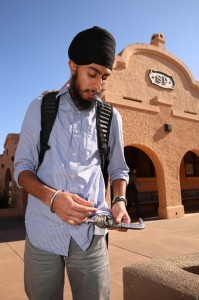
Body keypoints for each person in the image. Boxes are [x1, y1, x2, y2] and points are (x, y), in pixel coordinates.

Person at [14, 26, 130, 300]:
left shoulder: (111, 118)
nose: (98, 85)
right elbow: (22, 168)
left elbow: (118, 168)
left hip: (91, 235)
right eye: (92, 73)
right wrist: (53, 198)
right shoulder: (40, 107)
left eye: (104, 76)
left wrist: (120, 200)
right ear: (73, 66)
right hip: (43, 233)